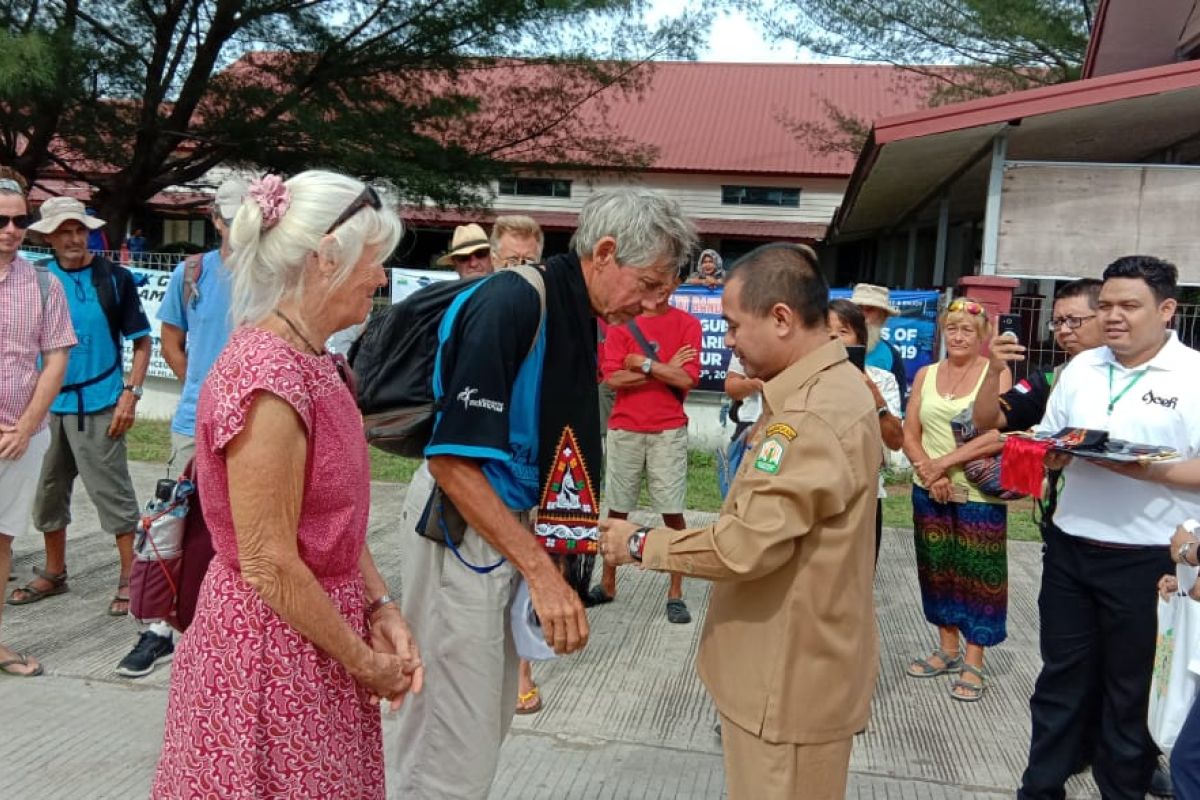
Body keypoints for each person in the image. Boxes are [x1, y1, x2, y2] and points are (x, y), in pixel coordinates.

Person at [390, 188, 696, 800]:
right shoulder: (513, 302)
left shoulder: (574, 312)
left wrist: (552, 550)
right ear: (605, 253)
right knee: (451, 733)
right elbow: (452, 460)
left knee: (486, 719)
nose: (654, 303)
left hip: (507, 527)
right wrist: (542, 571)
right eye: (652, 282)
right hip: (467, 528)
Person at [153, 171, 422, 797]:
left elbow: (333, 516)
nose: (381, 277)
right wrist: (363, 664)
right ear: (327, 257)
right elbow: (269, 562)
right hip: (270, 650)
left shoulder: (321, 363)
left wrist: (379, 607)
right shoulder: (268, 378)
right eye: (375, 260)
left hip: (316, 632)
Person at [598, 243, 881, 800]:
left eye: (732, 326)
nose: (726, 341)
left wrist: (638, 542)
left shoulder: (810, 415)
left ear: (780, 317)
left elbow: (743, 547)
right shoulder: (816, 392)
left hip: (788, 680)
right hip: (790, 669)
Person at [1019, 255, 1200, 800]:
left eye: (1129, 305)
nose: (1113, 316)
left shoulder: (1193, 375)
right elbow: (1049, 437)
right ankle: (1040, 789)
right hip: (1072, 549)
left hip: (1151, 563)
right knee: (1059, 682)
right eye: (1106, 305)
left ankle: (1122, 790)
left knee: (1131, 695)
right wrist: (1046, 454)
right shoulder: (1083, 367)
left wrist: (1149, 469)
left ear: (1166, 310)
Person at [114, 178, 247, 679]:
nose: (241, 228)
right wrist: (207, 384)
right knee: (173, 520)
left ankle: (232, 629)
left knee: (243, 526)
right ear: (216, 219)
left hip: (257, 422)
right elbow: (172, 339)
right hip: (196, 419)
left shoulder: (278, 273)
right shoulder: (194, 272)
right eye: (232, 219)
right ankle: (158, 629)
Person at [9, 198, 151, 616]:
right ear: (48, 237)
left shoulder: (115, 278)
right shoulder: (33, 280)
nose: (73, 239)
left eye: (79, 230)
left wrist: (131, 393)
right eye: (63, 231)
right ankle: (55, 571)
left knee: (112, 493)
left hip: (101, 400)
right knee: (48, 492)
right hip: (44, 406)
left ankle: (131, 578)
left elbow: (141, 340)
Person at [901, 297, 1010, 702]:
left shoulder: (994, 373)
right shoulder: (927, 373)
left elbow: (995, 434)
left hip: (979, 493)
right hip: (929, 488)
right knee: (937, 569)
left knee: (979, 578)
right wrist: (929, 471)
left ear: (982, 336)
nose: (959, 335)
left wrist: (944, 464)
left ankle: (974, 661)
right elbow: (910, 429)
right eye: (952, 328)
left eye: (968, 329)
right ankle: (947, 648)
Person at [590, 271, 701, 623]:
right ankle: (607, 583)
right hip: (625, 427)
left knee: (672, 510)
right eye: (650, 281)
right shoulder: (622, 325)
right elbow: (612, 377)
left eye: (664, 282)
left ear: (674, 285)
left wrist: (645, 363)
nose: (657, 289)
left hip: (668, 429)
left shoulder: (688, 324)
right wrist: (665, 369)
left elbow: (688, 379)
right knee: (617, 509)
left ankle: (675, 592)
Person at [0, 171, 76, 677]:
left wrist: (26, 426)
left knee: (1, 540)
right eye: (0, 219)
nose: (10, 229)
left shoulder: (45, 284)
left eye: (19, 219)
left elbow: (55, 361)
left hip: (17, 437)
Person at [489, 213, 548, 715]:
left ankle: (523, 671)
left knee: (526, 579)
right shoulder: (479, 310)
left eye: (529, 262)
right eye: (511, 261)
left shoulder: (544, 314)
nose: (520, 271)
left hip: (531, 466)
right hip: (484, 469)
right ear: (493, 259)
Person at [973, 279, 1103, 434]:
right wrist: (993, 371)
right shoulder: (1051, 377)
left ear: (1104, 318)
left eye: (1074, 320)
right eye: (1057, 322)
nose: (1063, 330)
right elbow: (986, 421)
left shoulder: (1134, 373)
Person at [828, 298, 903, 563]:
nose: (834, 339)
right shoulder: (803, 380)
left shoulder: (882, 380)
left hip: (864, 497)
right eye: (827, 332)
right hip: (813, 497)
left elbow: (895, 441)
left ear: (860, 338)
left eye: (843, 332)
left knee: (858, 583)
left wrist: (875, 398)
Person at [851, 282, 909, 405]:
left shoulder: (891, 355)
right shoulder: (831, 346)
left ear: (883, 316)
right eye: (859, 308)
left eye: (870, 310)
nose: (862, 315)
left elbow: (897, 408)